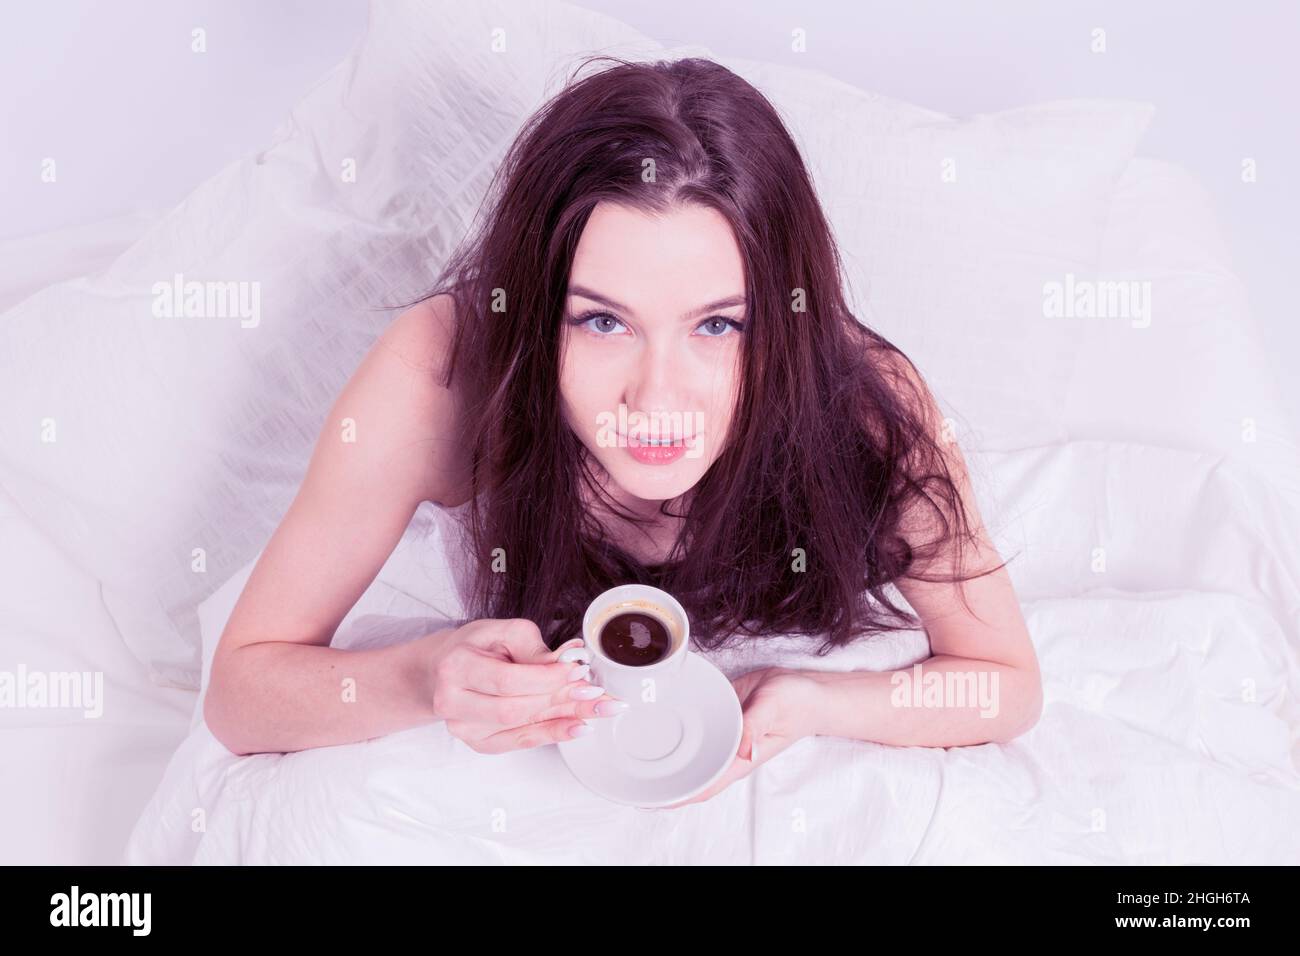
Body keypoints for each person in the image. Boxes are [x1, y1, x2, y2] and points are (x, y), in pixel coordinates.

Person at [205, 57, 1041, 805]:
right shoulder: (439, 381)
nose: (656, 399)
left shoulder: (858, 399)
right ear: (536, 314)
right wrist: (425, 678)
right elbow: (240, 692)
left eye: (717, 327)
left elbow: (1004, 682)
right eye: (603, 324)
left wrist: (808, 700)